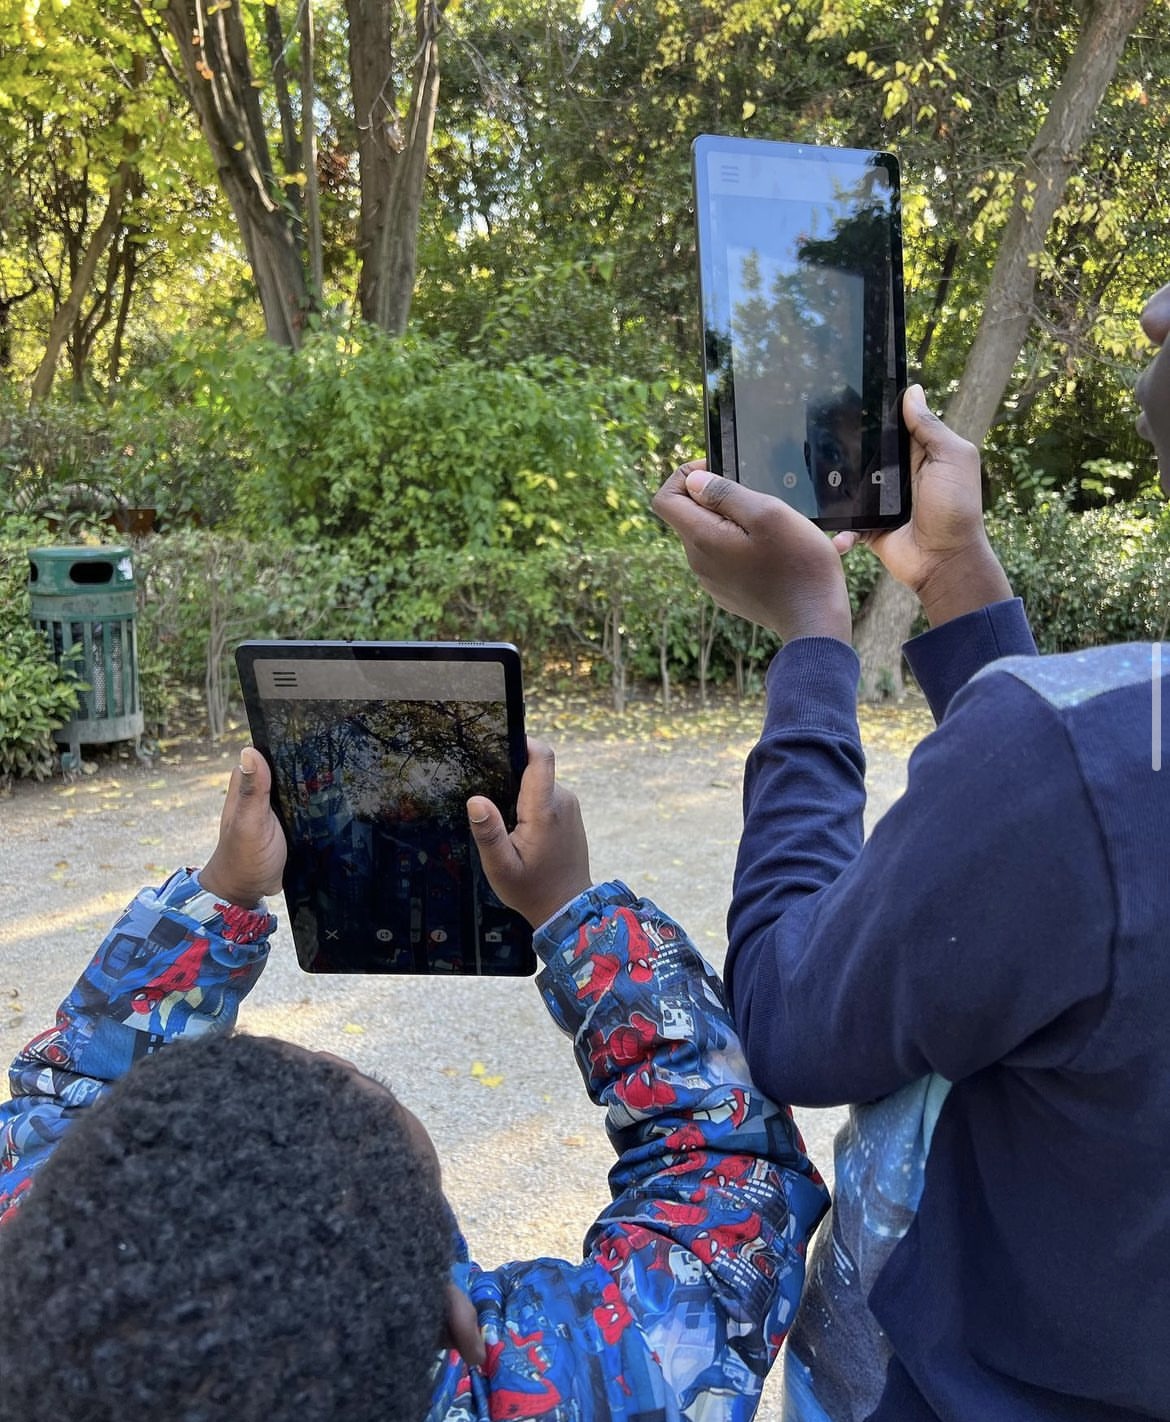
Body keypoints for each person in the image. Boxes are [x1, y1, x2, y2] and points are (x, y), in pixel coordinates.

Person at [651, 283, 1170, 1422]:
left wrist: (811, 638)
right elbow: (1085, 833)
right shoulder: (1107, 756)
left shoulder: (1079, 763)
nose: (1154, 306)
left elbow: (788, 1012)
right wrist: (952, 571)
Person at [0, 739, 829, 1422]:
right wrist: (572, 909)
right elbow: (728, 1171)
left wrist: (225, 888)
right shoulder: (557, 1386)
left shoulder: (32, 1263)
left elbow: (68, 1097)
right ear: (450, 1322)